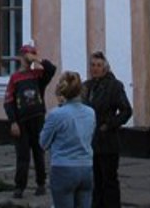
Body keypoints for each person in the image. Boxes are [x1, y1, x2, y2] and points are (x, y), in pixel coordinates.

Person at [4, 43, 56, 197]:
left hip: (37, 119)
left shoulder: (38, 75)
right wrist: (13, 121)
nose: (28, 58)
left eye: (31, 54)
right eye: (26, 54)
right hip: (21, 121)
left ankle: (41, 183)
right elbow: (8, 101)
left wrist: (38, 59)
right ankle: (19, 186)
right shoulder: (15, 78)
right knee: (23, 155)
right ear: (20, 57)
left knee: (38, 153)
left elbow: (51, 70)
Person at [82, 50, 133, 208]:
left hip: (107, 141)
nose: (95, 68)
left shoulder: (114, 86)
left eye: (98, 65)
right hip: (90, 140)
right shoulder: (87, 86)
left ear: (105, 68)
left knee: (108, 179)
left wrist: (109, 124)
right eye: (92, 65)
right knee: (95, 180)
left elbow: (126, 110)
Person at [40, 70, 96, 208]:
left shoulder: (56, 115)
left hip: (63, 167)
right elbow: (90, 136)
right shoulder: (90, 112)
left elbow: (43, 143)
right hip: (86, 167)